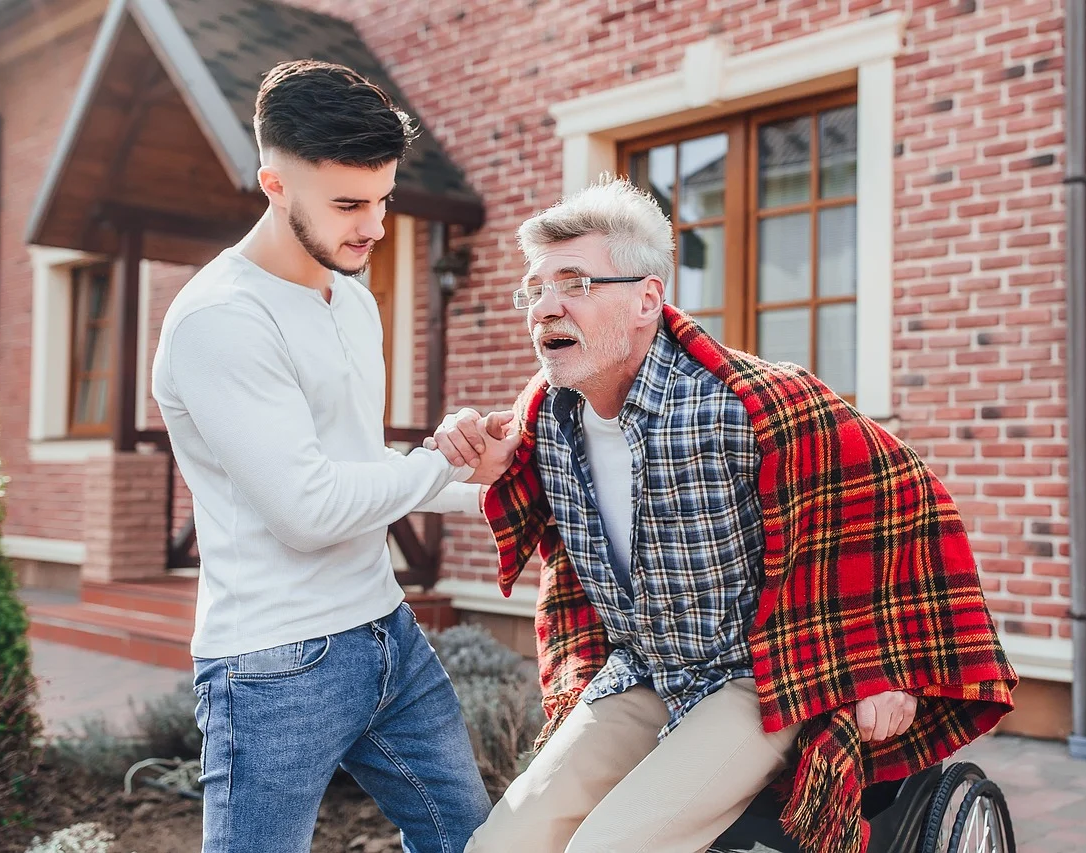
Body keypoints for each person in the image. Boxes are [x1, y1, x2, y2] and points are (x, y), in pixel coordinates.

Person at [432, 178, 1017, 853]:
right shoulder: (545, 420)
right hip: (644, 670)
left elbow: (901, 498)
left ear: (647, 298)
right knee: (501, 843)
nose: (545, 307)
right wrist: (478, 457)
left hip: (757, 681)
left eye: (575, 284)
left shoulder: (749, 406)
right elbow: (508, 475)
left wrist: (889, 667)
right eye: (535, 289)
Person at [151, 60, 515, 853]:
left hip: (385, 631)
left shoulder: (350, 297)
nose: (374, 226)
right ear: (274, 184)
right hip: (275, 663)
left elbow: (354, 460)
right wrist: (446, 463)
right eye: (348, 204)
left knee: (473, 842)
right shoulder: (222, 319)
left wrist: (485, 481)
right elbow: (309, 508)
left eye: (383, 199)